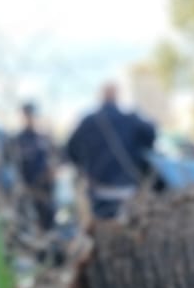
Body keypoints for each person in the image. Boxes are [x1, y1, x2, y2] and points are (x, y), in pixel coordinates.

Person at [64, 84, 157, 220]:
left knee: (103, 233)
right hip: (129, 191)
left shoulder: (88, 122)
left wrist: (84, 170)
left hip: (99, 192)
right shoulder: (131, 119)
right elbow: (151, 136)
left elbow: (70, 150)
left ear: (101, 97)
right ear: (117, 96)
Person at [11, 102, 56, 231]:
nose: (29, 118)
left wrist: (52, 172)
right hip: (26, 191)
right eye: (27, 115)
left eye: (32, 115)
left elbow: (58, 160)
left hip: (45, 192)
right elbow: (9, 164)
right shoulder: (17, 141)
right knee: (25, 226)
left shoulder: (45, 139)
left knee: (47, 225)